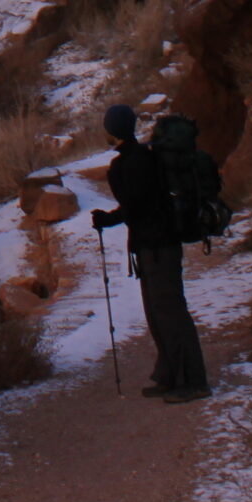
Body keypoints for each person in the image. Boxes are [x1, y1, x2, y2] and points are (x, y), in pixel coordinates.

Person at [91, 102, 208, 402]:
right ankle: (170, 376)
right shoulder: (141, 157)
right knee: (159, 314)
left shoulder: (131, 163)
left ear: (112, 130)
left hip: (158, 248)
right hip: (154, 248)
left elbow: (134, 206)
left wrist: (107, 218)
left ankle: (193, 382)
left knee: (170, 314)